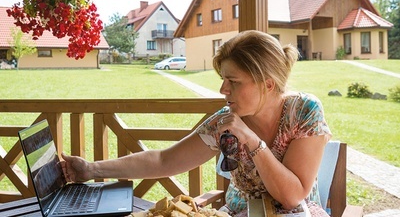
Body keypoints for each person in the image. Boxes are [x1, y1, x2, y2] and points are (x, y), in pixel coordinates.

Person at [61, 30, 331, 216]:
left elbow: (292, 196)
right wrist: (91, 169)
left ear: (267, 84)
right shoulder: (225, 123)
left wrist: (252, 141)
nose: (223, 89)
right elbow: (163, 161)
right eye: (223, 79)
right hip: (240, 213)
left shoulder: (304, 111)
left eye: (233, 82)